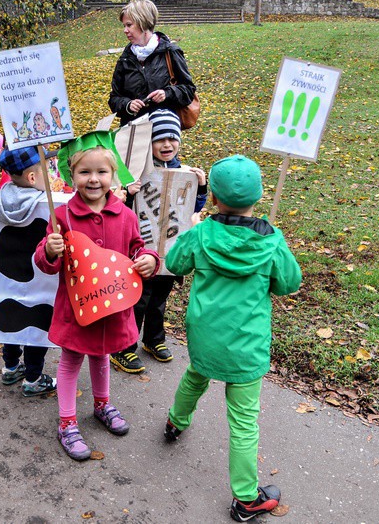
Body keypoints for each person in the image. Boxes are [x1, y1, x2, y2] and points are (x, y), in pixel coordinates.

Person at [163, 155, 302, 522]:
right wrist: (275, 245)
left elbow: (174, 263)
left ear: (213, 199)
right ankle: (245, 499)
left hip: (205, 336)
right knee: (243, 422)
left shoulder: (202, 233)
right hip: (246, 345)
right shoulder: (270, 240)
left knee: (196, 375)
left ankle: (176, 421)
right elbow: (289, 284)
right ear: (258, 196)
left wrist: (189, 227)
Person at [34, 131, 159, 461]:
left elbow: (138, 247)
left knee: (102, 354)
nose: (93, 179)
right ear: (71, 175)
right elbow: (45, 264)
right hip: (76, 310)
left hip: (112, 306)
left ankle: (102, 404)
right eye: (84, 172)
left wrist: (149, 259)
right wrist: (49, 250)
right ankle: (67, 422)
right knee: (72, 360)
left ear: (113, 175)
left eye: (101, 172)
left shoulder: (126, 215)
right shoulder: (62, 217)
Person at [112, 109, 207, 373]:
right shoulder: (136, 172)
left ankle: (154, 340)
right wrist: (129, 194)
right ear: (148, 142)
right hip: (141, 250)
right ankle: (124, 347)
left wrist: (200, 188)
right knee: (138, 300)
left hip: (171, 250)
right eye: (159, 139)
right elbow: (121, 211)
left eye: (172, 138)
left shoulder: (184, 173)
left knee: (159, 300)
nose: (167, 145)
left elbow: (192, 210)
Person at [0, 146, 57, 397]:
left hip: (7, 277)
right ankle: (33, 378)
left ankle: (10, 367)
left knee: (11, 320)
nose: (50, 174)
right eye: (47, 169)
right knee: (36, 326)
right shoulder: (43, 203)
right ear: (32, 178)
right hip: (37, 277)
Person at [108, 0, 196, 127]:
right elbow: (114, 99)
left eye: (129, 25)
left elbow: (188, 90)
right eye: (124, 26)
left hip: (164, 131)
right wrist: (128, 105)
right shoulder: (125, 59)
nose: (125, 30)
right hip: (133, 133)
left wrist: (167, 93)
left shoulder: (170, 52)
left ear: (143, 23)